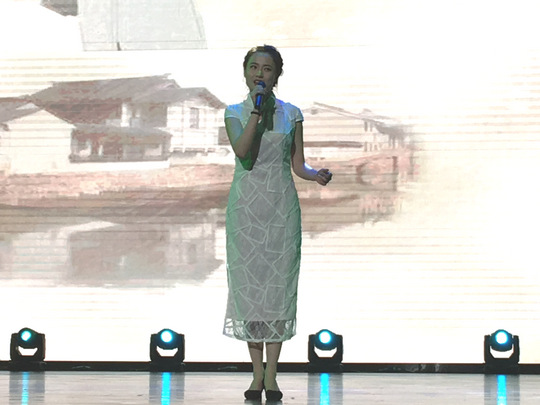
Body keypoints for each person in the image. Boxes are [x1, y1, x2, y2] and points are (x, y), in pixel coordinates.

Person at [222, 45, 332, 401]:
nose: (260, 74)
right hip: (246, 211)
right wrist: (256, 112)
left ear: (277, 75)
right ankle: (256, 374)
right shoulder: (234, 112)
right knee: (251, 290)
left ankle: (272, 374)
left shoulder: (292, 114)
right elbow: (243, 152)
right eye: (254, 67)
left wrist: (315, 174)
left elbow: (298, 165)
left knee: (277, 290)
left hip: (280, 209)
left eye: (267, 69)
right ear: (245, 72)